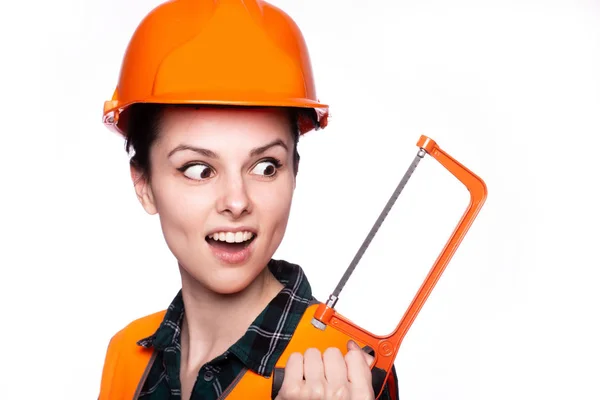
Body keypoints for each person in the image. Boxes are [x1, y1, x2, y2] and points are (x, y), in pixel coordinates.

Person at [98, 1, 400, 399]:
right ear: (144, 185)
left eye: (265, 167)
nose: (236, 202)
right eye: (198, 169)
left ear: (294, 172)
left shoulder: (346, 373)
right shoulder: (127, 356)